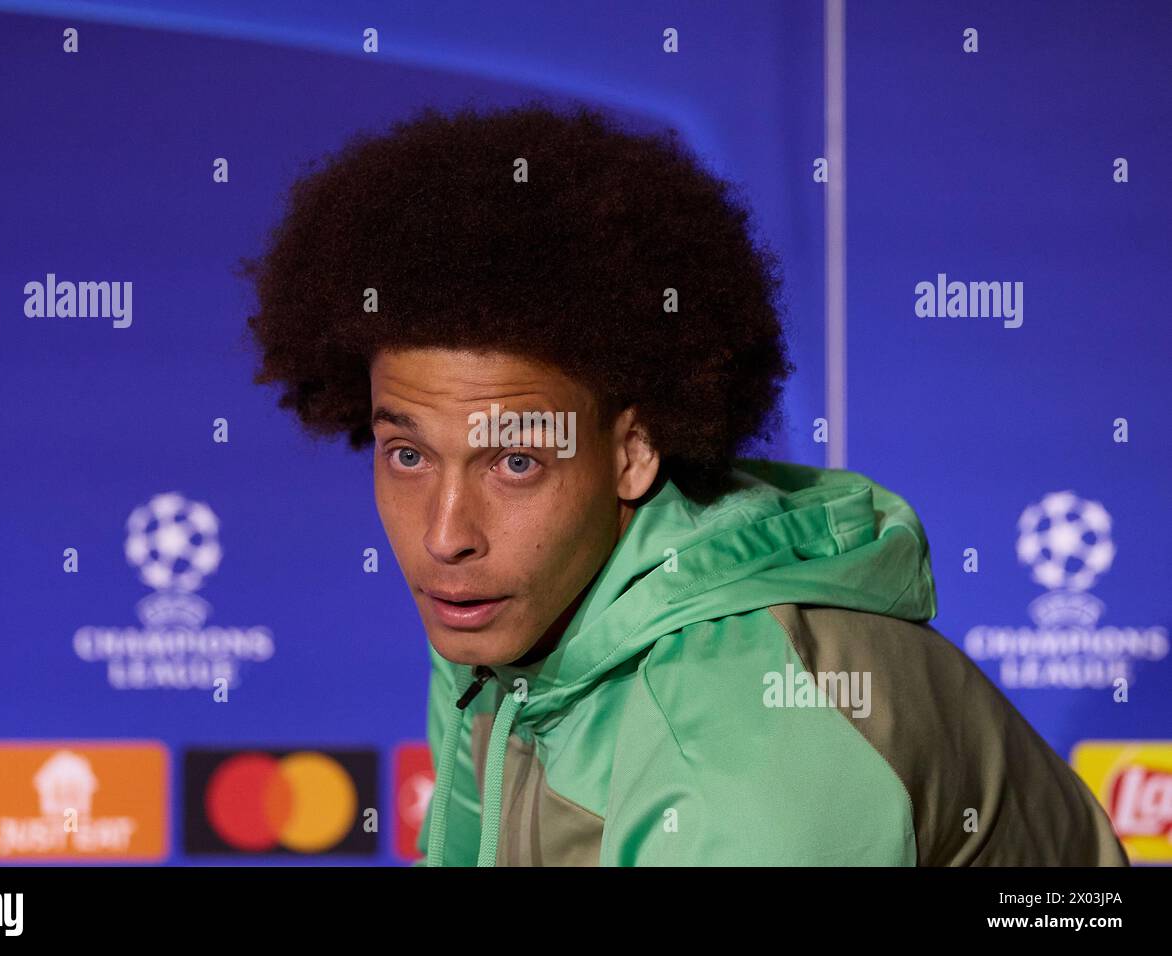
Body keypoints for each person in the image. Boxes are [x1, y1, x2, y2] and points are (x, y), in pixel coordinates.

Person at [240, 100, 1129, 866]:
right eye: (408, 455)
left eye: (515, 461)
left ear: (633, 451)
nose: (445, 534)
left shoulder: (741, 741)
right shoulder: (502, 623)